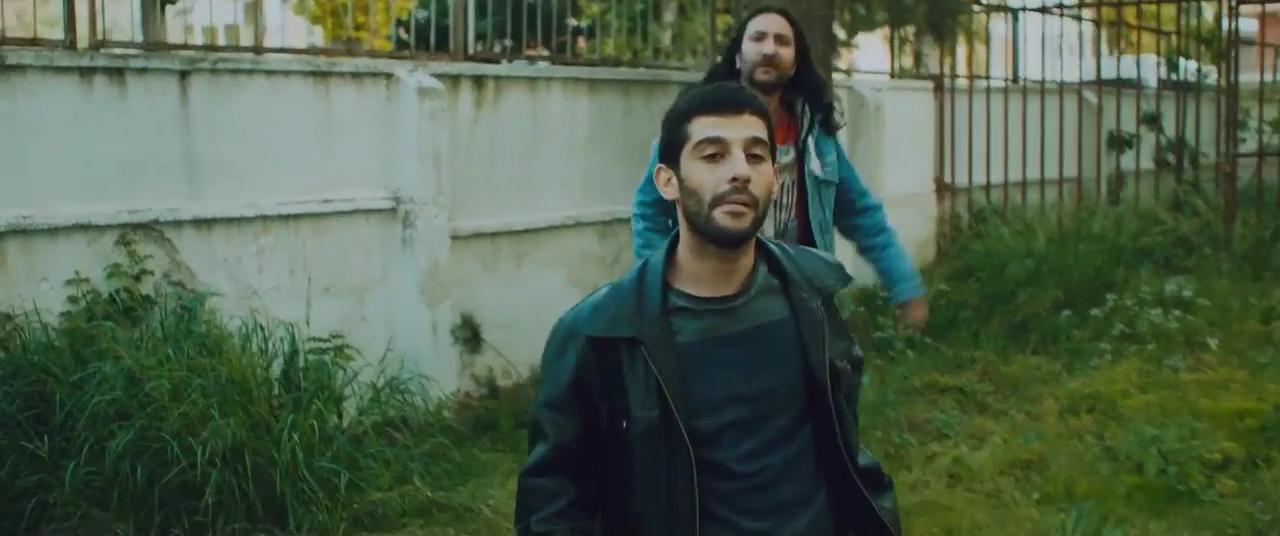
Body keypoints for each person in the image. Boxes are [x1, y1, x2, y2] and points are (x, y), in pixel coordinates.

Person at [514, 81, 902, 536]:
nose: (739, 172)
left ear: (775, 177)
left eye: (755, 156)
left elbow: (843, 446)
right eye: (714, 156)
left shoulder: (814, 294)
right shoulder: (600, 334)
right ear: (667, 181)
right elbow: (554, 507)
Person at [630, 5, 929, 332]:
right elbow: (649, 210)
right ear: (738, 56)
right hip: (710, 304)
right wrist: (660, 288)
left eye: (782, 41)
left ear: (795, 63)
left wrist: (905, 287)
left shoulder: (815, 138)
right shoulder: (694, 125)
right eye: (758, 38)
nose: (770, 49)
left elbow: (861, 215)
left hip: (798, 306)